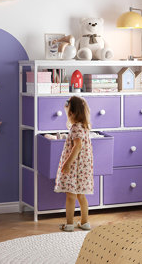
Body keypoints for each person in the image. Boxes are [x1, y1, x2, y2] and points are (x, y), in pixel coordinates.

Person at [54, 96, 93, 232]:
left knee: (70, 195)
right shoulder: (84, 127)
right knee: (81, 195)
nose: (68, 116)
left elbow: (77, 146)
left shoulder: (75, 128)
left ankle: (69, 224)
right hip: (83, 168)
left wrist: (67, 163)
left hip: (75, 167)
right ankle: (85, 222)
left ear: (73, 113)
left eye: (68, 113)